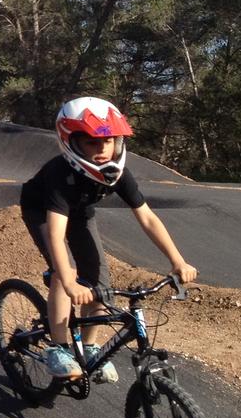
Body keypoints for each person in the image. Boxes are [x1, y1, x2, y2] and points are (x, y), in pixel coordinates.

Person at [19, 96, 197, 382]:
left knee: (100, 281)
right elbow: (55, 232)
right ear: (71, 142)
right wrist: (67, 279)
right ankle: (59, 348)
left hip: (80, 212)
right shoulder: (60, 175)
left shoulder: (120, 175)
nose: (103, 148)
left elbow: (148, 218)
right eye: (91, 142)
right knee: (65, 274)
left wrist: (178, 261)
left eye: (110, 140)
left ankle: (89, 347)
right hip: (42, 211)